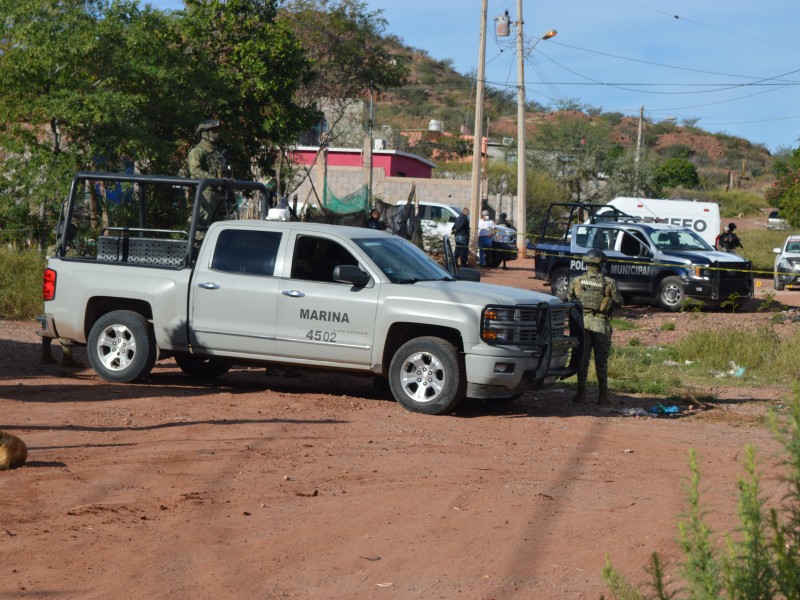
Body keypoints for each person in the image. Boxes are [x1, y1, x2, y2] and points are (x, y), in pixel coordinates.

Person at [567, 249, 623, 405]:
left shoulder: (576, 281)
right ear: (602, 263)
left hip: (583, 324)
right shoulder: (609, 282)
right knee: (601, 362)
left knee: (582, 360)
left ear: (586, 263)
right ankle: (603, 396)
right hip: (601, 325)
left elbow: (569, 299)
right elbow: (618, 302)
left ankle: (581, 394)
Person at [188, 119, 229, 228]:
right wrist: (212, 180)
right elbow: (195, 170)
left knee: (219, 228)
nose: (216, 133)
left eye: (217, 130)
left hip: (220, 194)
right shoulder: (197, 151)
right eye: (213, 130)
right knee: (200, 229)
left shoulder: (217, 153)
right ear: (204, 133)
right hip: (206, 194)